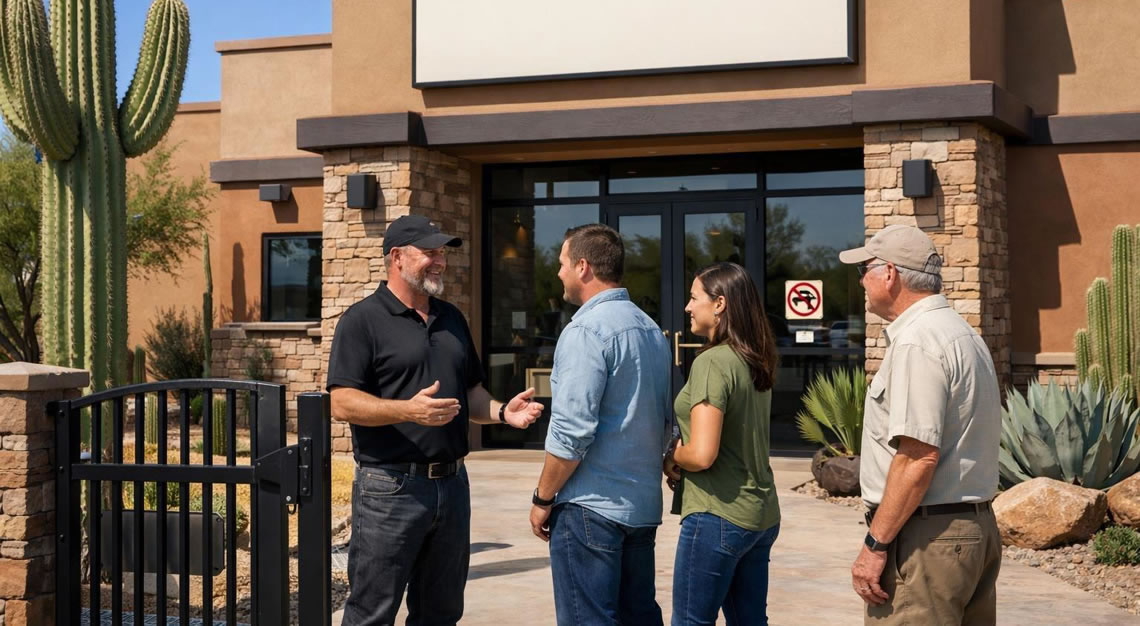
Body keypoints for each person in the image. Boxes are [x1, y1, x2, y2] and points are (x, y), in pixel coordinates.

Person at [328, 214, 544, 626]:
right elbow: (341, 402)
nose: (439, 261)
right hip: (389, 489)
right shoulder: (362, 320)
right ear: (396, 257)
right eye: (429, 252)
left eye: (441, 253)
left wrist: (502, 412)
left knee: (441, 613)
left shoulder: (452, 319)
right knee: (372, 612)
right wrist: (407, 410)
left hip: (452, 485)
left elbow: (471, 393)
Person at [839, 225, 1002, 625]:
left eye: (865, 270)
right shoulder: (962, 333)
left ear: (890, 273)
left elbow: (917, 458)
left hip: (928, 540)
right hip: (971, 531)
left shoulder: (918, 342)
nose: (861, 281)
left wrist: (875, 545)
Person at [528, 223, 672, 626]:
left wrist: (543, 498)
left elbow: (572, 432)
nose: (557, 273)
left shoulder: (585, 331)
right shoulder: (651, 331)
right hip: (640, 509)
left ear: (583, 267)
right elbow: (665, 419)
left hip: (589, 511)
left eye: (561, 264)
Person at [663, 262, 782, 626]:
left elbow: (701, 453)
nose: (687, 307)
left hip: (718, 515)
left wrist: (671, 456)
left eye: (693, 297)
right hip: (759, 515)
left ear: (719, 304)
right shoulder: (754, 358)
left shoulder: (713, 362)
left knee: (690, 622)